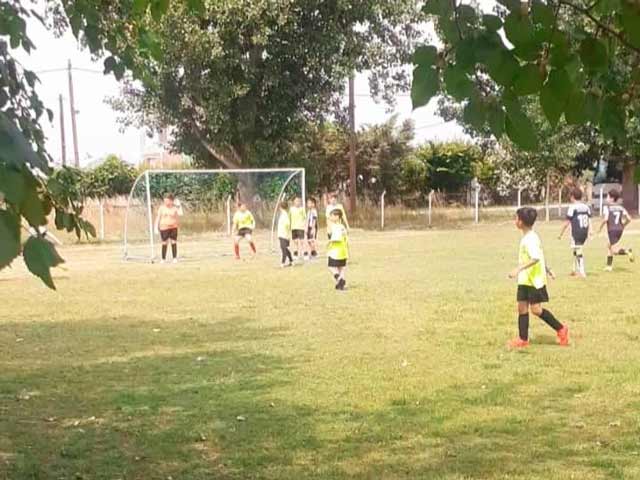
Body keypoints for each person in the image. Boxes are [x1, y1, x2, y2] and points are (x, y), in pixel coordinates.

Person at [508, 207, 569, 348]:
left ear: (521, 222)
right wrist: (548, 269)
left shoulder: (531, 239)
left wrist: (518, 269)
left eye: (516, 218)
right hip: (525, 279)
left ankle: (561, 329)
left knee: (536, 310)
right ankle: (523, 339)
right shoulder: (528, 237)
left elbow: (535, 258)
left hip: (534, 281)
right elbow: (538, 257)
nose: (515, 221)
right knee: (522, 308)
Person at [558, 187, 591, 277]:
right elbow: (589, 219)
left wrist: (560, 234)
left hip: (576, 232)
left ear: (572, 197)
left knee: (578, 250)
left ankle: (582, 272)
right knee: (576, 249)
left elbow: (567, 222)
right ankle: (574, 269)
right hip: (584, 231)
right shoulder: (586, 207)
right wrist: (590, 231)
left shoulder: (572, 207)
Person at [598, 188, 634, 271]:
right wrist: (623, 225)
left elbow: (606, 219)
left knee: (613, 250)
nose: (606, 198)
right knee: (609, 246)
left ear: (612, 198)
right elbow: (629, 218)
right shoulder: (620, 208)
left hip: (612, 230)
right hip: (619, 229)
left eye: (607, 196)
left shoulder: (607, 207)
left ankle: (627, 251)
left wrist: (599, 229)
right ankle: (609, 266)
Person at [154, 193, 184, 264]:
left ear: (171, 201)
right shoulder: (162, 208)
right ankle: (163, 259)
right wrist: (155, 227)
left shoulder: (175, 208)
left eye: (167, 201)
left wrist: (179, 206)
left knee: (173, 242)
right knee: (164, 242)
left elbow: (180, 214)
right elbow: (158, 217)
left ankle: (174, 258)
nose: (166, 202)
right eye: (165, 201)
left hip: (173, 227)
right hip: (164, 227)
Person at [327, 208, 349, 290]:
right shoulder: (342, 226)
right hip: (343, 251)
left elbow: (336, 238)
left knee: (331, 267)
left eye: (332, 216)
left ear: (337, 217)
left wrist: (329, 242)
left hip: (336, 251)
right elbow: (346, 238)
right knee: (341, 267)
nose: (330, 217)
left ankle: (339, 279)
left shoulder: (335, 226)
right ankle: (341, 285)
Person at [277, 201, 293, 267]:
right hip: (281, 234)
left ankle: (282, 263)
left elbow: (287, 225)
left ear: (281, 207)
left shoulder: (285, 215)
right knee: (285, 249)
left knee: (283, 248)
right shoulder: (283, 214)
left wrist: (287, 234)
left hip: (284, 235)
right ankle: (291, 261)